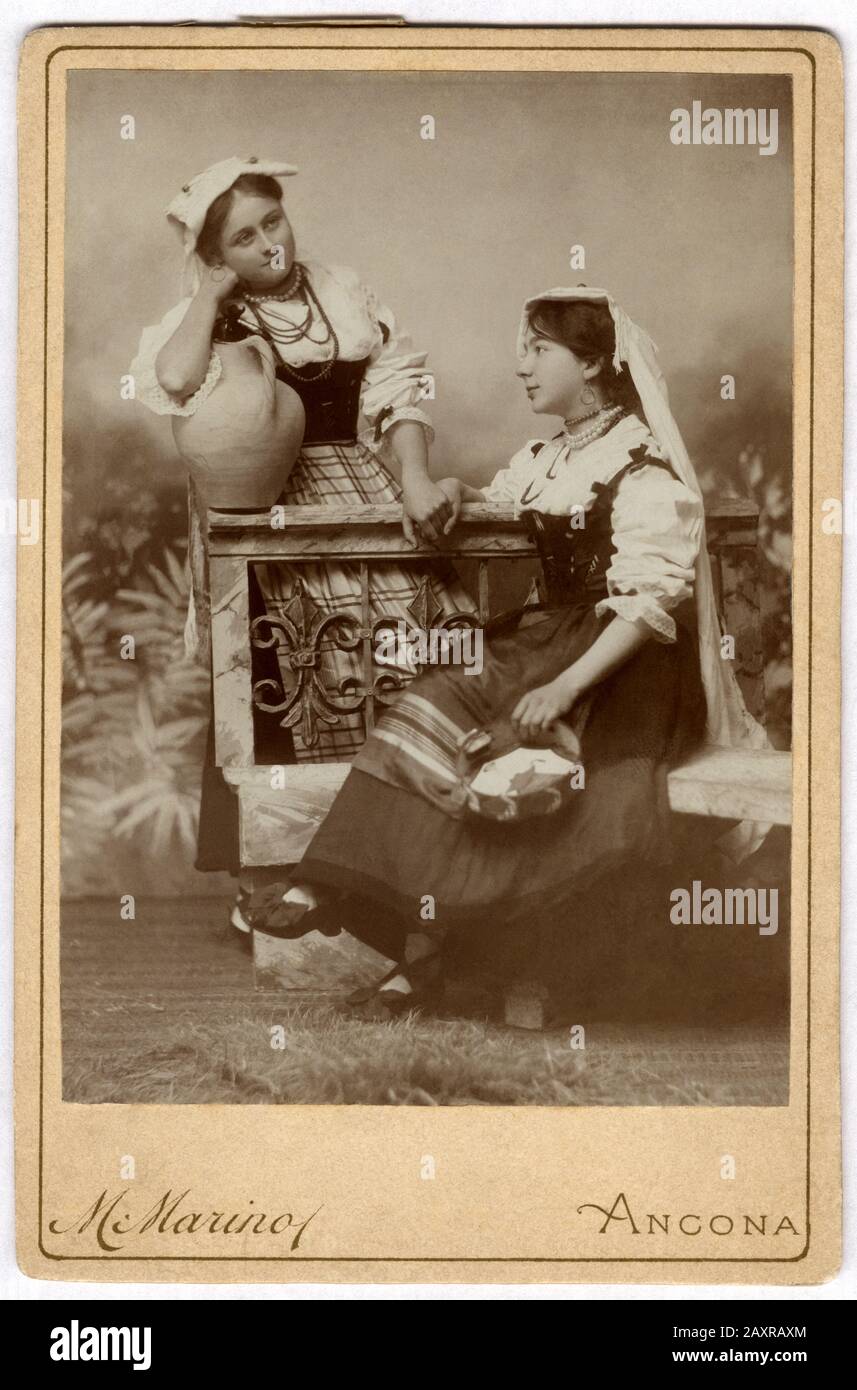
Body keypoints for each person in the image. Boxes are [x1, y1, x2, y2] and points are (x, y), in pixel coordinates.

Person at [248, 286, 770, 1019]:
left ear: (591, 363)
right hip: (550, 641)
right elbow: (506, 503)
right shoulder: (550, 456)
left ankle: (458, 966)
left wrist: (564, 689)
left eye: (538, 349)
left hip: (625, 666)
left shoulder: (641, 468)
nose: (519, 365)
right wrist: (457, 489)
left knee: (514, 757)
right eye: (521, 348)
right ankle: (329, 888)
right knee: (427, 707)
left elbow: (650, 608)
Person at [129, 156, 474, 937]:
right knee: (291, 672)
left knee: (418, 651)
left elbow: (399, 393)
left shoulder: (345, 292)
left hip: (360, 482)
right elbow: (177, 381)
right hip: (265, 504)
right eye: (242, 239)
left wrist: (415, 480)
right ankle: (279, 880)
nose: (266, 246)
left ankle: (406, 866)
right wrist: (210, 294)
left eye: (272, 223)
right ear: (217, 255)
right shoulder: (210, 317)